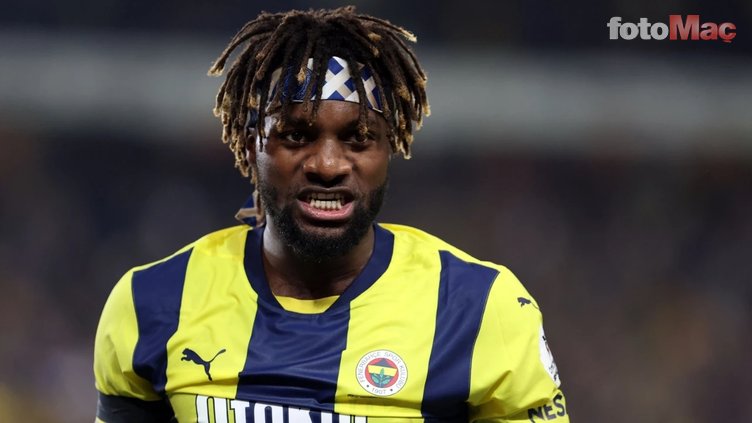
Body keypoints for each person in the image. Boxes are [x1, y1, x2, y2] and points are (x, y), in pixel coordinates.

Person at [93, 6, 569, 423]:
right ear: (252, 145)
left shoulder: (479, 310)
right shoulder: (151, 304)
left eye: (358, 138)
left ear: (389, 149)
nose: (327, 165)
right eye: (296, 136)